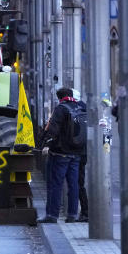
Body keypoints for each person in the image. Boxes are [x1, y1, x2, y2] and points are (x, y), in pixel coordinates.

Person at [39, 87, 87, 223]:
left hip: (60, 153)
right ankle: (72, 215)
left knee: (55, 184)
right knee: (73, 185)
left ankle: (52, 215)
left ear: (59, 98)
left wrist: (45, 145)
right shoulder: (80, 107)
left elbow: (53, 130)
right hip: (77, 153)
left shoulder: (61, 109)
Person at [72, 89, 89, 223]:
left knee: (76, 183)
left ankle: (83, 212)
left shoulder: (71, 110)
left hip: (73, 152)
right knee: (79, 183)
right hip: (84, 151)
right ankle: (84, 212)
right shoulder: (86, 108)